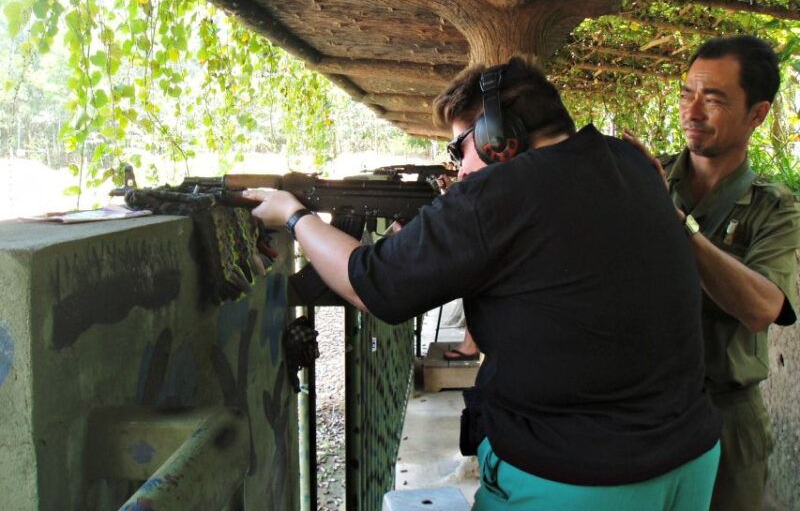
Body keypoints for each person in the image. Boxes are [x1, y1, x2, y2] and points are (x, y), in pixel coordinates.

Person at [245, 57, 721, 510]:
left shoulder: (499, 193)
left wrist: (293, 215)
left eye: (460, 147)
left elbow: (371, 285)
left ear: (499, 136)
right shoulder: (629, 162)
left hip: (578, 476)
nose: (460, 168)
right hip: (689, 456)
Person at [625, 35, 800, 511]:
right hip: (641, 407)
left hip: (726, 416)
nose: (693, 111)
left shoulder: (775, 207)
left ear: (757, 114)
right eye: (687, 93)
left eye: (714, 99)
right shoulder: (644, 176)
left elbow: (764, 307)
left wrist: (675, 223)